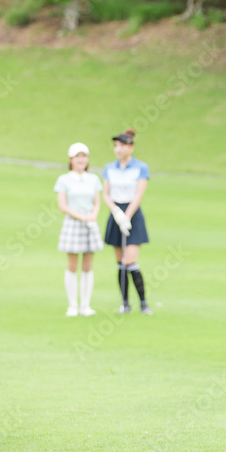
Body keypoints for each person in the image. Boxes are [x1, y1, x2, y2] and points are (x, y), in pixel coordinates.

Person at [102, 129, 152, 315]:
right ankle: (125, 303)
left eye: (122, 145)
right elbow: (106, 194)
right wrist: (116, 212)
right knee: (120, 263)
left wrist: (127, 216)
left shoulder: (140, 167)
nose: (118, 149)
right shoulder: (110, 168)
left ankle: (143, 303)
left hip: (133, 214)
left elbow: (138, 194)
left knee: (130, 261)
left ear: (131, 147)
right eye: (116, 146)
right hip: (116, 213)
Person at [53, 142, 104, 317]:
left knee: (88, 266)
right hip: (73, 223)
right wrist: (82, 217)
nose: (81, 160)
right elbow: (63, 206)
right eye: (77, 156)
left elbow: (97, 203)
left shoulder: (93, 179)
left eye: (83, 156)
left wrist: (92, 215)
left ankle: (85, 305)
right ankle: (73, 305)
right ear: (71, 159)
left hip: (90, 223)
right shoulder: (64, 179)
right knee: (72, 266)